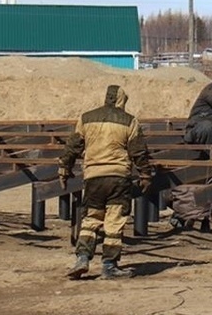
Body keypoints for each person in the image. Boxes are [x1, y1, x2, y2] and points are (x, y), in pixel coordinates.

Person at [58, 84, 154, 280]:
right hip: (118, 178)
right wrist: (145, 175)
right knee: (114, 221)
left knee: (91, 219)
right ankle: (109, 266)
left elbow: (72, 147)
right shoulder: (130, 121)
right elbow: (138, 151)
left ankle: (82, 258)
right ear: (122, 100)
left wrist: (64, 170)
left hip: (93, 177)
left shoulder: (86, 118)